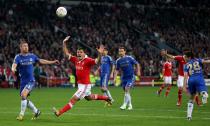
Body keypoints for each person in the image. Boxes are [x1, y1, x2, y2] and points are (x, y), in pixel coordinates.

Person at [53, 36, 112, 117]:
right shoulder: (76, 59)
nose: (79, 54)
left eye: (81, 52)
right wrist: (64, 43)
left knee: (73, 99)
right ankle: (106, 98)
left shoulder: (88, 60)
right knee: (89, 98)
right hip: (81, 85)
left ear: (84, 53)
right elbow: (66, 54)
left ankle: (59, 112)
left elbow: (97, 61)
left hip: (85, 86)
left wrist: (99, 53)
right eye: (78, 52)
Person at [12, 39, 60, 121]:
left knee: (23, 95)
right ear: (20, 47)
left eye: (27, 46)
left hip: (31, 80)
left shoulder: (32, 56)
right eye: (24, 46)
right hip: (23, 82)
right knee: (24, 98)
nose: (26, 47)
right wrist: (13, 69)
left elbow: (41, 60)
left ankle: (21, 115)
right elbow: (14, 65)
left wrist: (52, 62)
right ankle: (36, 111)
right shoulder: (18, 57)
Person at [183, 51, 209, 120]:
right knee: (202, 91)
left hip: (191, 80)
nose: (184, 58)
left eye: (185, 57)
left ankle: (189, 116)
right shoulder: (198, 60)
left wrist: (184, 86)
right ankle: (204, 93)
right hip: (199, 78)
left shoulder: (186, 65)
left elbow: (185, 76)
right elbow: (206, 61)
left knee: (192, 97)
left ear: (189, 57)